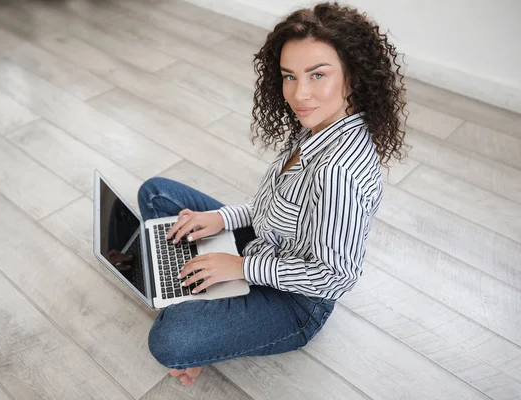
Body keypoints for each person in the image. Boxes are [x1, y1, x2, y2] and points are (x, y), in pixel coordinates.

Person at [138, 1, 407, 387]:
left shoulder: (337, 170)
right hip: (267, 245)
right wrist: (223, 219)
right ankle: (197, 288)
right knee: (157, 194)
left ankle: (195, 303)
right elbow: (276, 210)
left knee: (171, 338)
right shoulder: (318, 126)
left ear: (354, 76)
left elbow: (335, 278)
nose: (299, 94)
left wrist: (240, 269)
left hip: (296, 301)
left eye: (317, 75)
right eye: (289, 76)